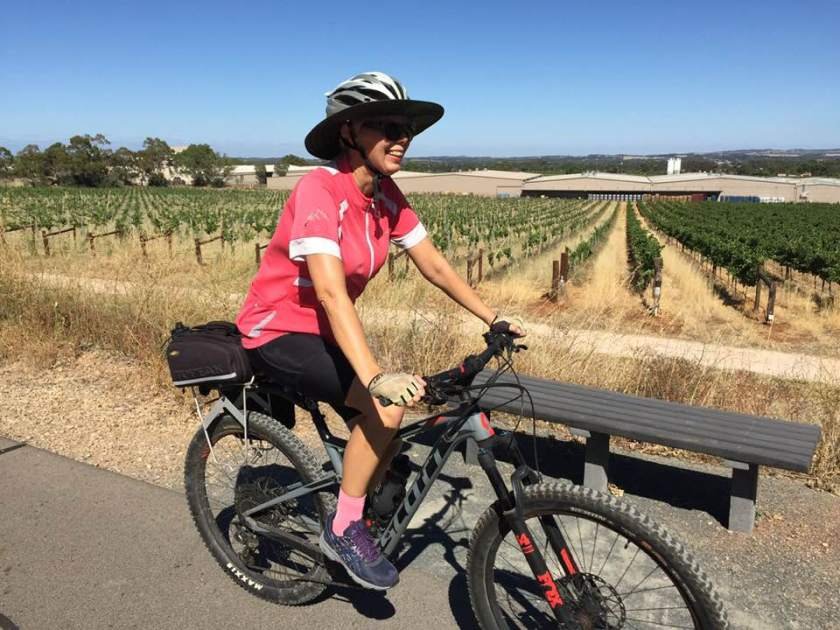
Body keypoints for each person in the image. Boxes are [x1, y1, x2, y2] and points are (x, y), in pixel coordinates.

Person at [236, 71, 526, 590]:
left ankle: (358, 493)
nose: (402, 137)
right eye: (386, 125)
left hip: (327, 331)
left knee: (391, 424)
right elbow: (328, 291)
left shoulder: (387, 196)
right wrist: (373, 378)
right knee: (386, 405)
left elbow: (433, 264)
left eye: (407, 127)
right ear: (349, 134)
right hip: (277, 328)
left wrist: (492, 318)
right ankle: (344, 527)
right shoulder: (319, 190)